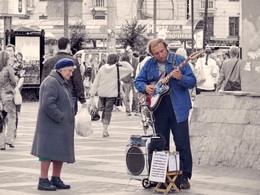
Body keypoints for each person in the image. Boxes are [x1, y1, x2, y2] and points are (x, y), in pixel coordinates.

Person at [134, 38, 196, 189]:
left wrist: (180, 77)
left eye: (162, 51)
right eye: (156, 53)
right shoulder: (148, 64)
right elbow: (138, 81)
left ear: (166, 48)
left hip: (178, 108)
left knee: (182, 143)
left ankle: (184, 177)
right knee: (160, 143)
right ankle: (160, 176)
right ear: (152, 54)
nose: (161, 55)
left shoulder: (180, 60)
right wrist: (145, 88)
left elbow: (192, 82)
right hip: (158, 108)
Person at [31, 59, 77, 191]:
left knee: (59, 151)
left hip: (58, 125)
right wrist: (60, 117)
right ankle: (43, 180)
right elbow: (47, 103)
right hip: (51, 125)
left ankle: (55, 178)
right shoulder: (51, 82)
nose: (71, 74)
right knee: (47, 152)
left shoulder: (60, 81)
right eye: (69, 71)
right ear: (61, 69)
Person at [89, 53, 133, 137]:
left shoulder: (102, 68)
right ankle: (105, 130)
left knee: (104, 110)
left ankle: (104, 127)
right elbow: (130, 69)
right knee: (108, 111)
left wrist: (92, 94)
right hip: (111, 94)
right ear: (116, 60)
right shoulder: (117, 69)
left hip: (102, 93)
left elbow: (96, 81)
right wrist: (121, 62)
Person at [41, 37, 86, 114]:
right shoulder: (73, 61)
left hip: (53, 97)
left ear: (58, 46)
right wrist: (82, 99)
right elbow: (77, 81)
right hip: (69, 95)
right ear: (68, 46)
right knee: (69, 121)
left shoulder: (48, 62)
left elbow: (44, 81)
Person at [0, 51, 17, 150]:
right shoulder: (8, 69)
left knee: (1, 120)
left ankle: (1, 143)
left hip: (0, 97)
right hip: (8, 95)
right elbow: (14, 81)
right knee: (11, 118)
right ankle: (9, 139)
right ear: (7, 59)